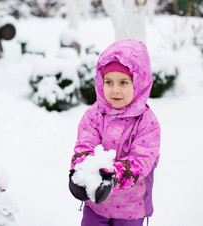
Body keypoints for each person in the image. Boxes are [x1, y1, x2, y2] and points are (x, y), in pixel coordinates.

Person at [69, 39, 161, 226]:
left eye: (123, 82)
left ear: (139, 82)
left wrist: (113, 176)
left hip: (131, 209)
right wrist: (80, 170)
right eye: (108, 82)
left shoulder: (147, 123)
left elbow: (141, 161)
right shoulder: (94, 115)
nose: (115, 90)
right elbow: (84, 146)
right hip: (96, 205)